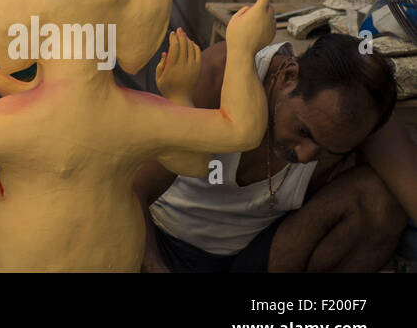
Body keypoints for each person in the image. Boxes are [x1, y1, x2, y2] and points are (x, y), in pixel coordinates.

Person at [135, 31, 417, 272]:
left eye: (327, 150)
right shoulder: (219, 74)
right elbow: (130, 192)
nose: (306, 156)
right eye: (304, 131)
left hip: (256, 253)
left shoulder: (359, 115)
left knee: (379, 199)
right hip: (162, 238)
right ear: (288, 76)